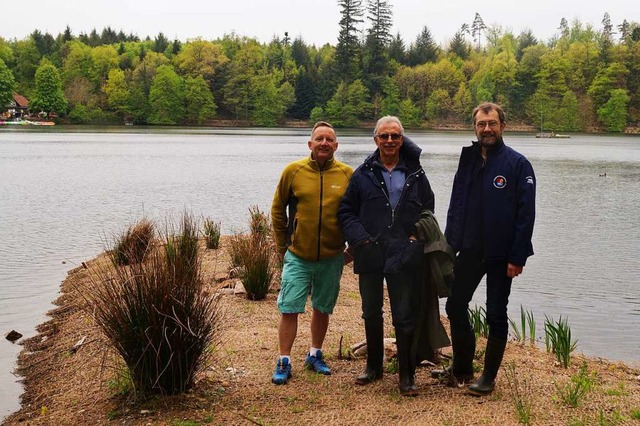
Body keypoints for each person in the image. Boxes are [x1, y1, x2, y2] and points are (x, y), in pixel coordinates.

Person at [434, 102, 536, 396]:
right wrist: (449, 246)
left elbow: (525, 214)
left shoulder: (517, 164)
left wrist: (518, 256)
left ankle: (488, 377)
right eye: (481, 124)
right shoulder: (468, 160)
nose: (487, 129)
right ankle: (463, 368)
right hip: (468, 249)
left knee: (495, 314)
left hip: (501, 253)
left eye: (492, 123)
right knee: (455, 304)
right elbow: (456, 205)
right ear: (475, 128)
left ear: (503, 126)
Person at [338, 116, 435, 396]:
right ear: (375, 140)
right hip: (370, 250)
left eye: (395, 136)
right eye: (384, 136)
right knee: (371, 311)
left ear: (401, 140)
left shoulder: (416, 173)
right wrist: (360, 239)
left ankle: (407, 375)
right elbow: (346, 211)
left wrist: (416, 236)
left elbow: (428, 208)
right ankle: (373, 367)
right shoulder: (363, 174)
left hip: (404, 253)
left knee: (404, 315)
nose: (390, 141)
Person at [270, 121, 353, 385]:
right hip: (298, 256)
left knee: (322, 308)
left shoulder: (347, 174)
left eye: (329, 140)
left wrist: (352, 251)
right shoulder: (293, 172)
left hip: (331, 257)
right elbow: (277, 210)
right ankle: (284, 360)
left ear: (336, 146)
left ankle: (315, 354)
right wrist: (284, 247)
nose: (324, 143)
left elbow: (358, 214)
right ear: (310, 144)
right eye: (319, 139)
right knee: (289, 307)